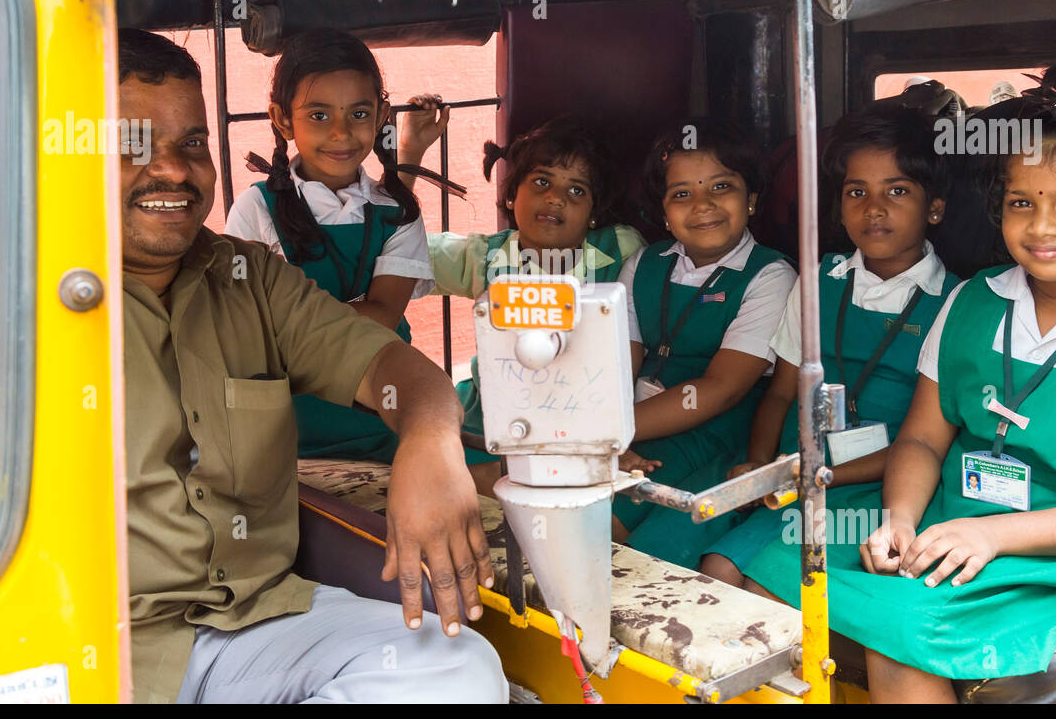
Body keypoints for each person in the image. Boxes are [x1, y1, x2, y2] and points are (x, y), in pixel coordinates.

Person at [117, 28, 504, 703]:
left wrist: (433, 438)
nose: (173, 171)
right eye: (133, 146)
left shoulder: (249, 278)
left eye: (194, 144)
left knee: (458, 667)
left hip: (249, 622)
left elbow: (393, 360)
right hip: (89, 645)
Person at [822, 65, 1056, 702]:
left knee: (900, 628)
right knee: (790, 577)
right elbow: (922, 442)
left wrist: (989, 536)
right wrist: (900, 519)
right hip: (947, 525)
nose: (1042, 227)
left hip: (1051, 555)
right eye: (1023, 203)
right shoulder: (970, 302)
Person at [700, 105, 958, 587]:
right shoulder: (819, 280)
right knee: (714, 572)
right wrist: (759, 464)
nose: (873, 208)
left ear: (935, 208)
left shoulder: (953, 301)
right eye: (856, 192)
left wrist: (818, 476)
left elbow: (921, 442)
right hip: (798, 475)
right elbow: (780, 394)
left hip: (880, 488)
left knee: (765, 588)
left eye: (897, 191)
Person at [223, 29, 442, 463]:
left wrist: (284, 324)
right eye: (319, 116)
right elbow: (245, 325)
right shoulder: (255, 209)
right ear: (283, 119)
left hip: (382, 421)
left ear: (381, 114)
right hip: (284, 433)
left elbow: (381, 319)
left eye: (359, 113)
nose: (342, 134)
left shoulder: (397, 212)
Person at [408, 115, 646, 493]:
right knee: (434, 478)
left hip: (587, 418)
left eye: (577, 191)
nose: (555, 197)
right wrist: (410, 155)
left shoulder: (621, 250)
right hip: (491, 423)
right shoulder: (484, 257)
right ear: (511, 193)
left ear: (594, 212)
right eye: (541, 181)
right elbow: (398, 254)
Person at [610, 120, 796, 568]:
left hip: (713, 430)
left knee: (608, 525)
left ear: (751, 200)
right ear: (663, 210)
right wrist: (606, 439)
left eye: (721, 186)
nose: (703, 205)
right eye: (682, 194)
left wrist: (610, 434)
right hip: (634, 423)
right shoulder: (643, 264)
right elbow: (617, 363)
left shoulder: (771, 275)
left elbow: (722, 388)